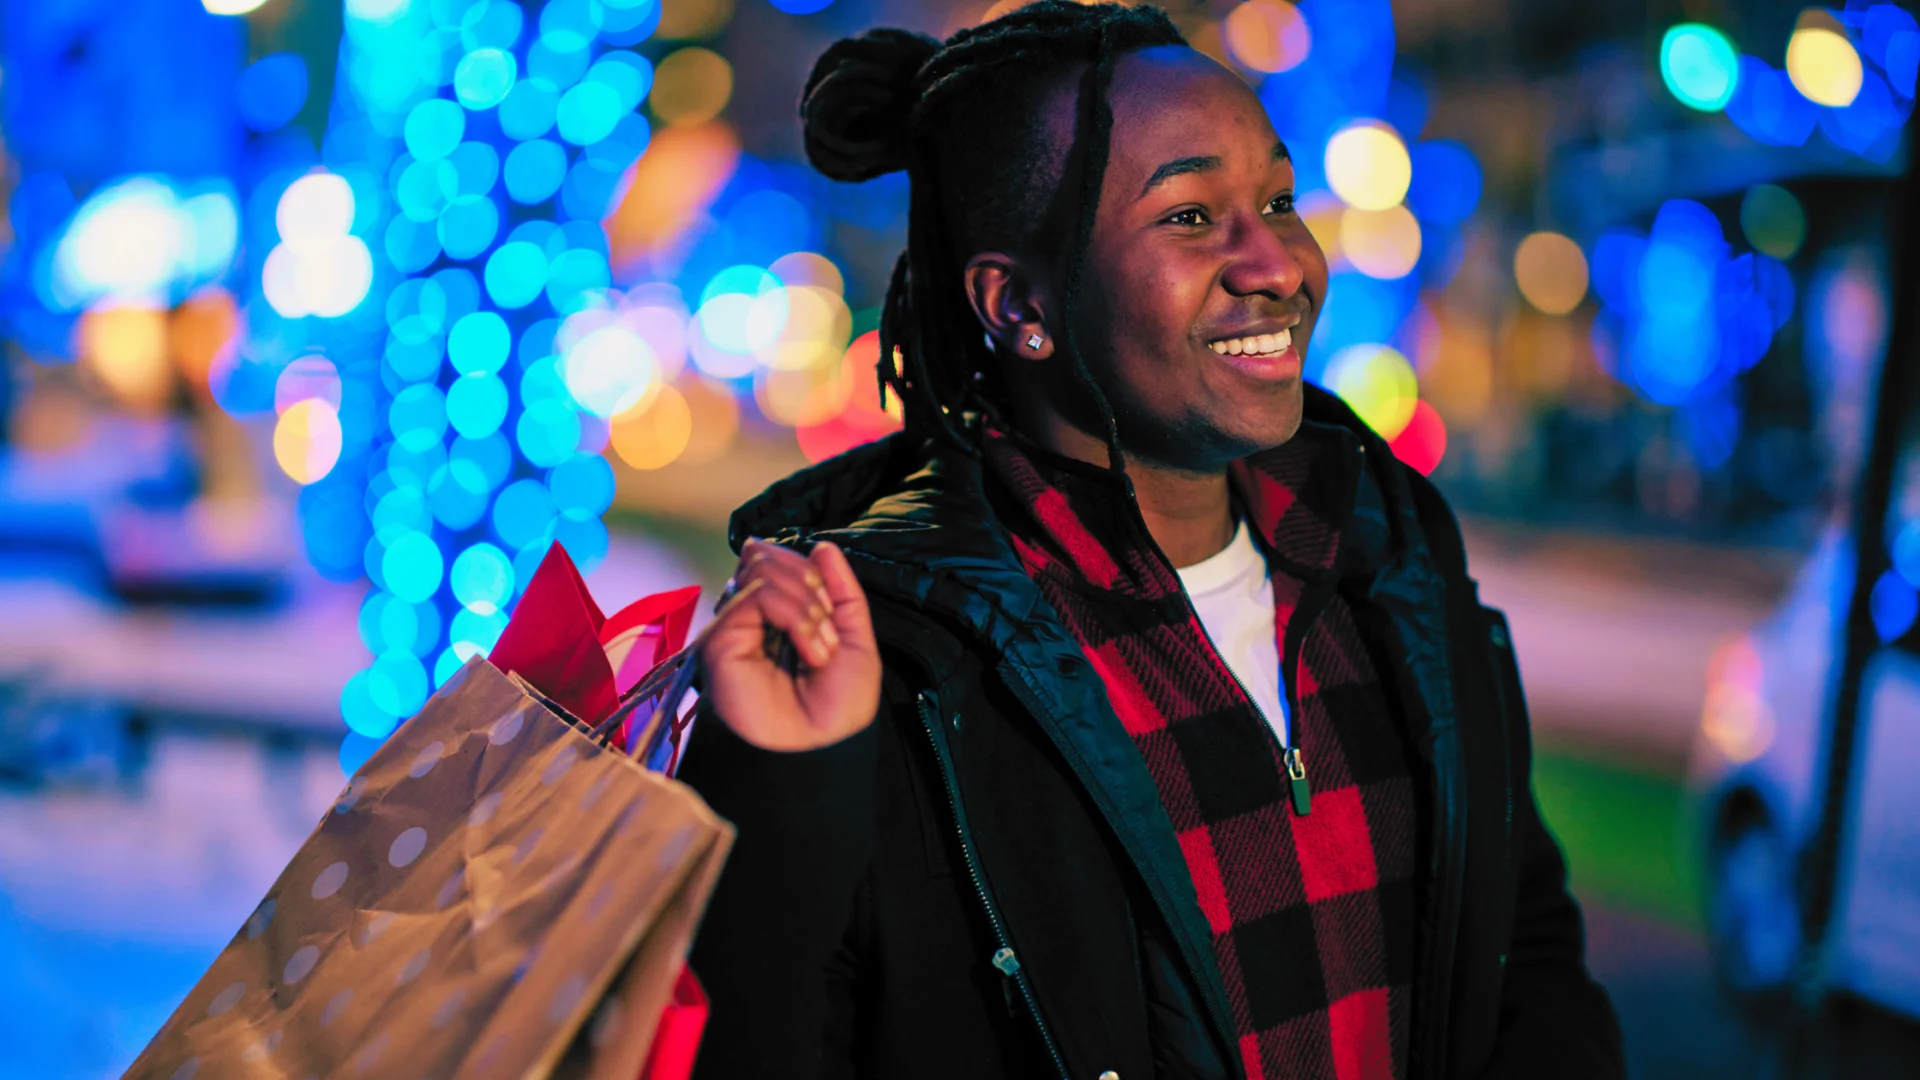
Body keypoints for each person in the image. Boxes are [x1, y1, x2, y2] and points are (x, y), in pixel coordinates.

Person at [675, 4, 1625, 1077]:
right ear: (1019, 302)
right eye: (1187, 217)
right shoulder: (886, 664)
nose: (1275, 261)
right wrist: (785, 792)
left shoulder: (1389, 559)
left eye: (1275, 198)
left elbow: (1522, 951)